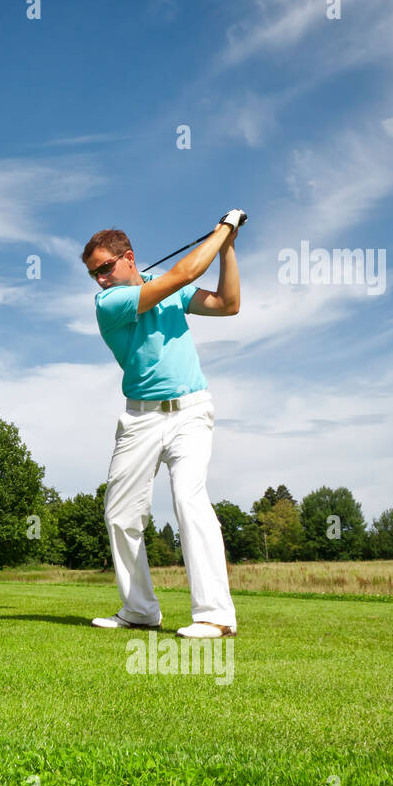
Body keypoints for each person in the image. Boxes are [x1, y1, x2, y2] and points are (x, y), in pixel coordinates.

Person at [81, 210, 245, 639]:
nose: (99, 279)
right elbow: (185, 271)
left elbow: (229, 305)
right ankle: (139, 610)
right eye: (93, 273)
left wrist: (227, 248)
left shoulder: (168, 291)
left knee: (189, 498)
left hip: (190, 410)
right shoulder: (109, 303)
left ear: (128, 257)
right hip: (139, 418)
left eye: (104, 268)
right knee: (120, 514)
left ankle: (215, 615)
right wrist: (225, 229)